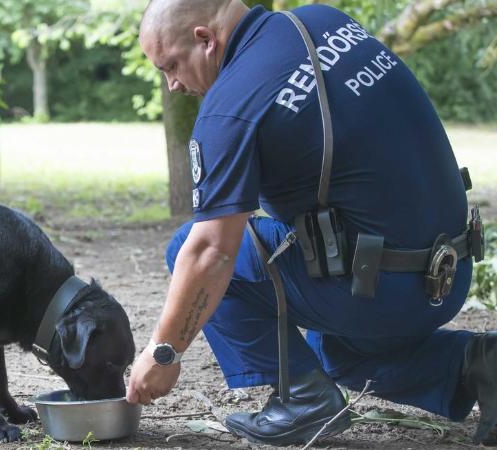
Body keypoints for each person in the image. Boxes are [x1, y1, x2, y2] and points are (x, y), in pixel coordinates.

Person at [125, 0, 496, 446]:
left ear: (205, 40)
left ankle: (302, 400)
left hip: (383, 291)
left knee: (188, 247)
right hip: (451, 275)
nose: (172, 85)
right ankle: (479, 362)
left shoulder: (230, 108)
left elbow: (211, 253)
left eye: (171, 66)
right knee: (332, 353)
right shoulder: (323, 20)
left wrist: (163, 352)